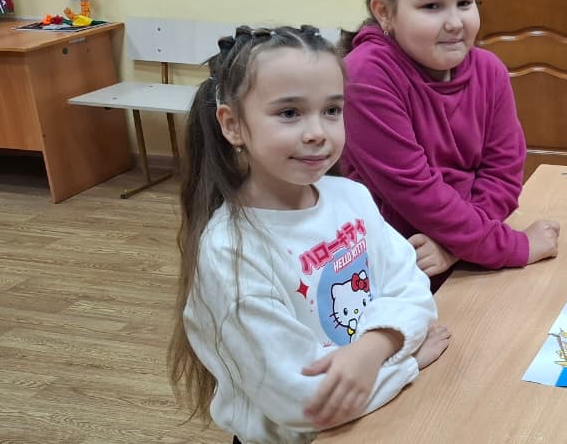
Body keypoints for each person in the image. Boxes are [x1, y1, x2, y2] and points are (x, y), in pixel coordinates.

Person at [168, 26, 450, 444]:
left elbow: (410, 287)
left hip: (375, 413)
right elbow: (306, 404)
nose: (318, 132)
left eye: (332, 110)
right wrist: (407, 361)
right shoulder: (231, 253)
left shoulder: (351, 196)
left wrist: (374, 349)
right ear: (233, 125)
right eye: (289, 113)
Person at [338, 0, 559, 285]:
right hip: (398, 268)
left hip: (466, 252)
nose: (455, 23)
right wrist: (514, 246)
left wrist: (458, 248)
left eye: (465, 3)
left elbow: (503, 172)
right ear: (384, 13)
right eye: (432, 6)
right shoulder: (364, 75)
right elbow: (417, 192)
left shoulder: (489, 70)